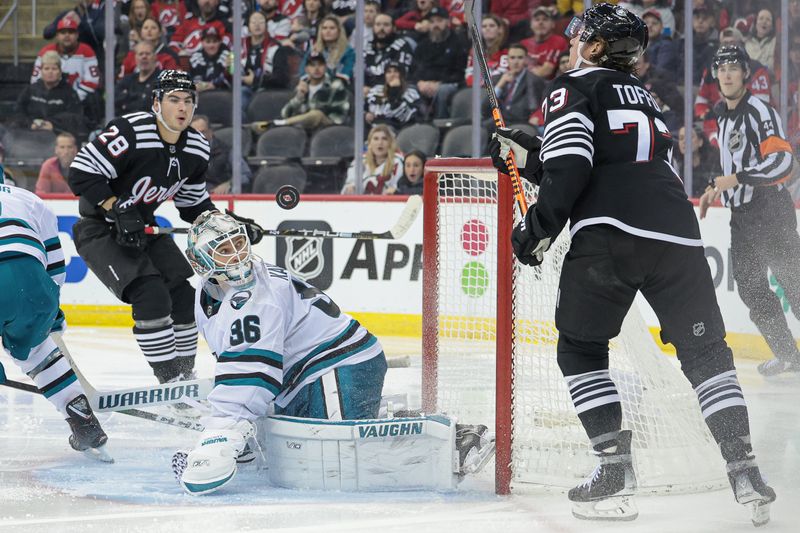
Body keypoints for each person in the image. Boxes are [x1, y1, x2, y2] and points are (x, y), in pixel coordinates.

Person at [489, 5, 775, 525]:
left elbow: (574, 165)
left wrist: (538, 229)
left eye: (584, 36)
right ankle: (745, 469)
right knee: (707, 352)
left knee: (580, 347)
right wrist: (532, 154)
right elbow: (613, 158)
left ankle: (614, 467)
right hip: (677, 234)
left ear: (596, 46)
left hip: (611, 236)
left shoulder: (573, 87)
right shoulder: (648, 99)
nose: (575, 41)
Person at [172, 212, 494, 494]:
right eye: (225, 250)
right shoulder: (208, 293)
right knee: (303, 440)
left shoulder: (254, 300)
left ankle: (455, 440)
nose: (238, 256)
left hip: (339, 361)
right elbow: (236, 360)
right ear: (201, 262)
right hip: (308, 370)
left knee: (340, 448)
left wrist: (223, 434)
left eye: (239, 244)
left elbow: (253, 374)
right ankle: (427, 430)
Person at [67, 70, 261, 385]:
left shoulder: (196, 147)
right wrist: (115, 207)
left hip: (143, 226)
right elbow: (81, 172)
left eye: (188, 101)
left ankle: (184, 377)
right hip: (100, 229)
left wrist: (231, 226)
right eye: (173, 100)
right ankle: (169, 381)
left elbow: (192, 205)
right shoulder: (130, 131)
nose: (182, 108)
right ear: (156, 103)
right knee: (151, 294)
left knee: (184, 298)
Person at [699, 46, 800, 378]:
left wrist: (738, 179)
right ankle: (788, 355)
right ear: (715, 76)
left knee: (794, 281)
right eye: (721, 68)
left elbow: (783, 161)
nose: (727, 74)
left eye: (733, 68)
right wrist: (716, 188)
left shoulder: (759, 110)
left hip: (770, 209)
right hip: (741, 218)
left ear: (745, 73)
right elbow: (732, 163)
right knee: (751, 286)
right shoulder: (722, 113)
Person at [0, 174, 111, 462]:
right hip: (36, 286)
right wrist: (49, 312)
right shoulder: (27, 198)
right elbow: (55, 267)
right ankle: (80, 417)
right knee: (38, 351)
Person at [253, 52, 350, 132]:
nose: (316, 69)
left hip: (330, 126)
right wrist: (299, 97)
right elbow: (285, 114)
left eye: (320, 65)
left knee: (316, 114)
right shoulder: (302, 85)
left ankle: (273, 125)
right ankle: (271, 126)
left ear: (325, 67)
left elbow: (340, 116)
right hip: (304, 127)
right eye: (312, 65)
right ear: (306, 69)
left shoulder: (336, 84)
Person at [408, 6, 469, 119]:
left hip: (448, 83)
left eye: (439, 21)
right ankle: (417, 121)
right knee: (409, 90)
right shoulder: (422, 45)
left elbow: (460, 72)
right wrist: (420, 83)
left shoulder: (458, 43)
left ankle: (441, 122)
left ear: (447, 22)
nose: (435, 25)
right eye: (432, 22)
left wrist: (438, 83)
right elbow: (413, 69)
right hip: (424, 84)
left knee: (443, 91)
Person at [16, 51, 89, 138]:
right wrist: (29, 124)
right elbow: (18, 111)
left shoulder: (69, 92)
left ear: (60, 71)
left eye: (54, 69)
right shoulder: (30, 89)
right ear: (41, 71)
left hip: (58, 136)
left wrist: (54, 125)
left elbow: (76, 118)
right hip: (30, 135)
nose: (50, 72)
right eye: (46, 68)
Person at [32, 16, 99, 103]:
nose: (67, 35)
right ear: (57, 35)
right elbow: (35, 79)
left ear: (77, 35)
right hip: (49, 99)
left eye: (71, 32)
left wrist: (73, 99)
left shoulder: (86, 51)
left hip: (79, 101)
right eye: (63, 32)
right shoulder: (46, 51)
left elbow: (92, 80)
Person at [190, 115, 252, 193]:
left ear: (210, 132)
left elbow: (245, 174)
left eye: (202, 132)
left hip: (222, 196)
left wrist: (229, 184)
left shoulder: (227, 151)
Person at [492, 43, 546, 126]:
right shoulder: (498, 79)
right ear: (507, 60)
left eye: (520, 58)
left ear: (526, 60)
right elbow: (486, 106)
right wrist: (500, 85)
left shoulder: (534, 81)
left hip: (519, 123)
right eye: (512, 58)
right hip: (496, 121)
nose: (516, 62)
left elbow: (531, 108)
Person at [341, 124, 403, 195]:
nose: (380, 143)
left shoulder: (398, 161)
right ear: (369, 143)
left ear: (390, 143)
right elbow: (348, 185)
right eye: (376, 139)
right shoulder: (360, 161)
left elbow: (399, 188)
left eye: (384, 139)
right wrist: (350, 188)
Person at [364, 13, 414, 91]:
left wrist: (374, 90)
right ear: (373, 28)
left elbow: (401, 74)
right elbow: (358, 72)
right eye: (378, 24)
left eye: (386, 25)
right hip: (367, 91)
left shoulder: (401, 46)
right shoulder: (367, 46)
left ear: (394, 28)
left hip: (392, 90)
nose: (381, 28)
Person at [365, 62, 421, 131]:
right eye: (389, 72)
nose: (392, 75)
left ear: (402, 75)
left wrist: (394, 90)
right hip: (374, 128)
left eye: (396, 71)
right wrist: (366, 114)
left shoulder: (411, 92)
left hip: (399, 130)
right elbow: (364, 107)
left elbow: (404, 117)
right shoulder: (376, 90)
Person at [300, 15, 355, 83]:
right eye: (324, 28)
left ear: (339, 31)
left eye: (332, 28)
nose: (328, 31)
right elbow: (303, 71)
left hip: (339, 87)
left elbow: (346, 73)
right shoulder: (313, 50)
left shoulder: (348, 51)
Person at [671, 124, 720, 198]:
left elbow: (716, 187)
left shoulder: (714, 163)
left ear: (700, 141)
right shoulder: (676, 167)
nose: (684, 141)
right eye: (681, 138)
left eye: (690, 137)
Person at [521, 7, 569, 81]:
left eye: (545, 19)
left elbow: (545, 72)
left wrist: (526, 70)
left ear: (553, 24)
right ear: (531, 24)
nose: (540, 22)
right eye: (537, 19)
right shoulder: (523, 44)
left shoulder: (558, 41)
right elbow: (515, 69)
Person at [116, 41, 162, 115]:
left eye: (147, 54)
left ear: (155, 56)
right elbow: (116, 101)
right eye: (140, 54)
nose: (144, 57)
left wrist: (128, 100)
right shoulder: (127, 80)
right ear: (135, 58)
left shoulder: (162, 79)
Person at [465, 14, 508, 88]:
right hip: (475, 89)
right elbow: (469, 73)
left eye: (491, 26)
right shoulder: (474, 51)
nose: (487, 28)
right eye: (484, 26)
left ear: (500, 29)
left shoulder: (506, 51)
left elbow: (501, 73)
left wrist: (481, 82)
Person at [189, 26, 232, 92]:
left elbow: (231, 78)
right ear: (202, 43)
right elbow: (192, 79)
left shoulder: (229, 55)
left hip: (223, 93)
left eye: (215, 41)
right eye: (208, 42)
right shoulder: (195, 57)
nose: (211, 45)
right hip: (200, 94)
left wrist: (214, 84)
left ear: (220, 42)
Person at [744, 8, 777, 73]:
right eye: (761, 18)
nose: (764, 22)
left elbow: (773, 67)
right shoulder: (747, 43)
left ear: (772, 26)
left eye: (768, 20)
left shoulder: (776, 42)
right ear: (756, 23)